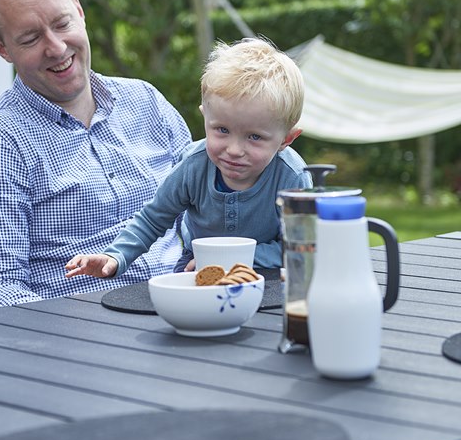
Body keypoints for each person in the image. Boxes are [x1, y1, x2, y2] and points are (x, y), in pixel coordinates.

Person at [0, 0, 192, 309]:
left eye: (61, 24)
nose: (56, 48)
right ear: (2, 48)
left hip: (192, 308)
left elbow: (206, 211)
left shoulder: (147, 102)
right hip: (88, 337)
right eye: (30, 38)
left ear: (79, 10)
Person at [65, 37, 312, 281]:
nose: (235, 150)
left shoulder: (292, 177)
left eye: (255, 137)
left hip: (266, 269)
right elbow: (153, 217)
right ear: (206, 117)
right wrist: (116, 256)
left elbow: (300, 248)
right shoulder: (194, 165)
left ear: (286, 139)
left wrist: (231, 259)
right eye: (222, 130)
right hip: (196, 262)